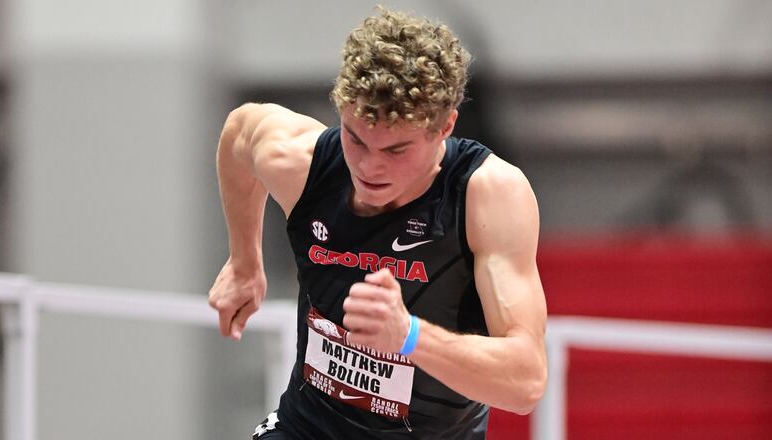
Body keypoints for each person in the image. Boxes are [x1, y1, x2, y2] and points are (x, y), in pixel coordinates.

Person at [209, 7, 547, 439]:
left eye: (396, 151)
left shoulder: (487, 196)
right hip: (306, 427)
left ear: (445, 126)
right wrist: (243, 261)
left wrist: (408, 336)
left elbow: (526, 382)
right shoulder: (301, 163)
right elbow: (240, 133)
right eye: (356, 138)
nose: (369, 167)